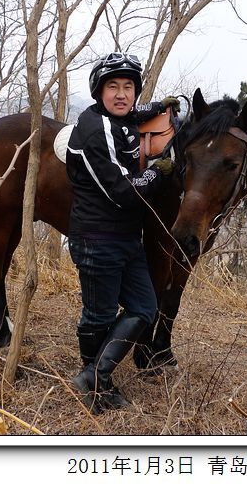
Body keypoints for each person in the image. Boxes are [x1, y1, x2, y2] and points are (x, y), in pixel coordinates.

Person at [65, 52, 179, 413]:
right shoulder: (95, 130)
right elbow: (124, 192)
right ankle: (96, 384)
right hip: (97, 239)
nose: (121, 94)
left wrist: (157, 107)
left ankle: (93, 376)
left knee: (145, 307)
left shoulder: (121, 114)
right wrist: (158, 172)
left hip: (126, 239)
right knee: (98, 316)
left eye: (128, 87)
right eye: (112, 86)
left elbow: (133, 113)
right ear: (98, 92)